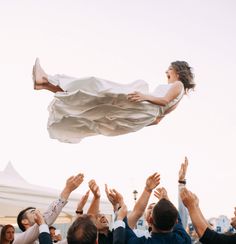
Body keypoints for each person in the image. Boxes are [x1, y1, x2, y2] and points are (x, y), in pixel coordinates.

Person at [33, 58, 195, 143]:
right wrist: (131, 122)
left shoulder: (178, 84)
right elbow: (158, 120)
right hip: (144, 115)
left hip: (144, 107)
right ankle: (45, 84)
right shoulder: (179, 98)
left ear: (177, 72)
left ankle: (47, 81)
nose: (166, 71)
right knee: (95, 103)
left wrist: (145, 97)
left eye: (169, 69)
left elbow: (164, 100)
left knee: (97, 88)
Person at [13, 173, 84, 244]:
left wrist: (79, 211)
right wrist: (67, 190)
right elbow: (46, 219)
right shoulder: (19, 240)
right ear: (24, 221)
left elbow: (72, 239)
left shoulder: (40, 241)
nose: (38, 213)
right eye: (33, 212)